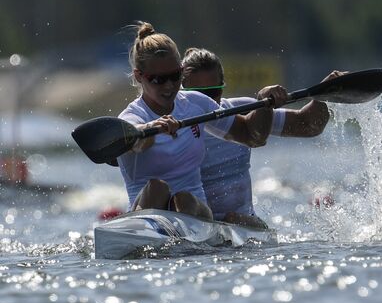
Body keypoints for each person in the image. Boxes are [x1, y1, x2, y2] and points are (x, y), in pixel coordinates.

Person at [116, 22, 288, 221]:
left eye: (175, 76)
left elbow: (252, 137)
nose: (170, 86)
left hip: (196, 212)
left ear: (182, 70)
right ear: (139, 76)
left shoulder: (196, 104)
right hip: (147, 210)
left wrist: (264, 102)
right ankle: (146, 232)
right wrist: (150, 129)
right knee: (157, 187)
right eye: (159, 80)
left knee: (183, 199)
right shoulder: (132, 117)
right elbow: (136, 139)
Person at [181, 48, 343, 228]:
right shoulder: (168, 122)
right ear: (180, 90)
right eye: (194, 94)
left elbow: (308, 125)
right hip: (194, 222)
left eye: (212, 93)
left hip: (242, 224)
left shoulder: (242, 109)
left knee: (232, 220)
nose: (205, 102)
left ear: (223, 86)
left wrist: (326, 93)